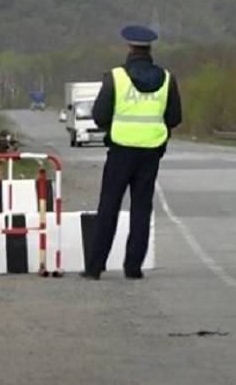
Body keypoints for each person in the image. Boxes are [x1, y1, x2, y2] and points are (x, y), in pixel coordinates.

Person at [81, 25, 182, 280]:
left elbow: (100, 114)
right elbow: (175, 117)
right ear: (150, 49)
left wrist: (113, 129)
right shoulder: (168, 79)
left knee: (109, 207)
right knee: (141, 208)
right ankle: (133, 267)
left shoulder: (116, 77)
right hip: (150, 152)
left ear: (129, 48)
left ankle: (95, 267)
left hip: (120, 151)